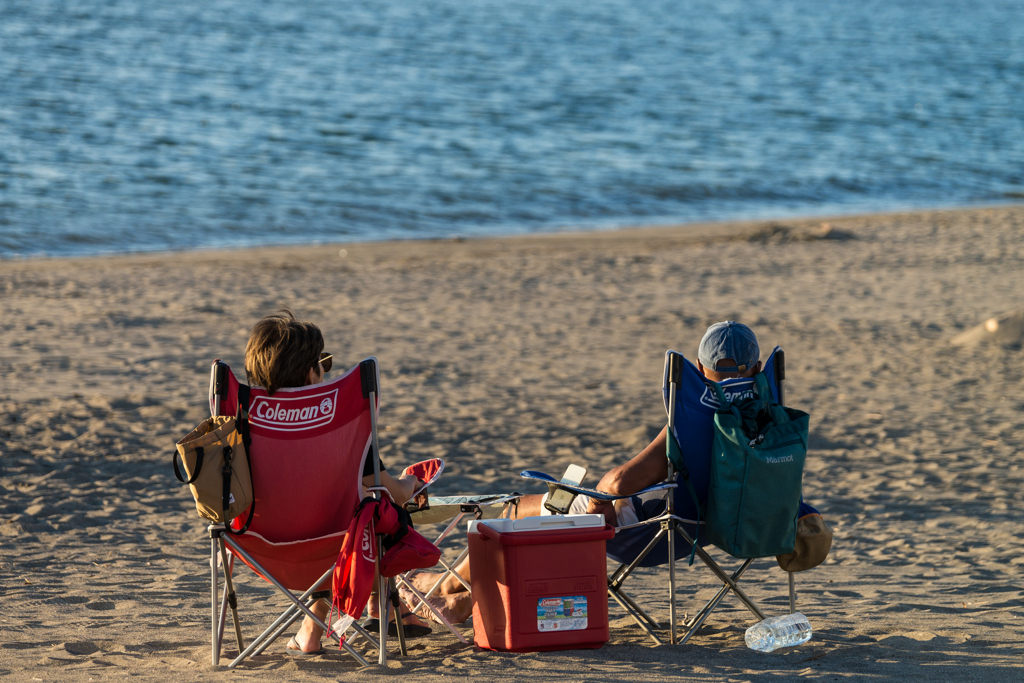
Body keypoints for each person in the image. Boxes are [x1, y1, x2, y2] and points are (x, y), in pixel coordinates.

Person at [404, 321, 763, 624]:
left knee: (524, 510)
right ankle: (458, 598)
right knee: (555, 505)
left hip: (648, 535)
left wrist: (600, 496)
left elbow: (621, 483)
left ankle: (447, 589)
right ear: (760, 370)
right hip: (718, 529)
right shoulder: (774, 428)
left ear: (700, 371)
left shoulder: (694, 422)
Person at [243, 310, 432, 654]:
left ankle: (311, 629)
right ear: (309, 371)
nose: (325, 371)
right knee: (378, 513)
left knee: (335, 511)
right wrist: (411, 483)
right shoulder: (339, 421)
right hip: (337, 548)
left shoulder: (245, 420)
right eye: (323, 363)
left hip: (259, 548)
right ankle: (378, 610)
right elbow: (390, 489)